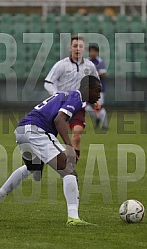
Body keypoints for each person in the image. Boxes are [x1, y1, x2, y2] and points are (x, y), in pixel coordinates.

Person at [0, 75, 101, 226]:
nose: (99, 95)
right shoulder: (76, 97)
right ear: (87, 89)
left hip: (21, 130)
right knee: (69, 171)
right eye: (97, 91)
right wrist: (69, 146)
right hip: (37, 131)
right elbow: (59, 120)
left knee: (33, 166)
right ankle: (73, 218)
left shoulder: (64, 94)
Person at [43, 35, 99, 180]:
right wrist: (57, 95)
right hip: (60, 105)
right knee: (50, 137)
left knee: (77, 134)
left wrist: (97, 99)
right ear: (70, 48)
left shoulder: (90, 66)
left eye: (80, 46)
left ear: (84, 48)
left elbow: (96, 83)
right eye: (75, 46)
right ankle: (43, 161)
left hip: (78, 105)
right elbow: (48, 82)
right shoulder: (61, 65)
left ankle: (71, 165)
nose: (78, 49)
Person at [86, 44, 109, 131]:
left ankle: (105, 125)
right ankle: (97, 118)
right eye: (91, 51)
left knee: (100, 107)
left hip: (99, 89)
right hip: (88, 89)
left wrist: (92, 75)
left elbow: (103, 74)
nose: (92, 53)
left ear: (97, 52)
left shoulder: (100, 61)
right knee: (87, 107)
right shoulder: (86, 61)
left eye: (94, 51)